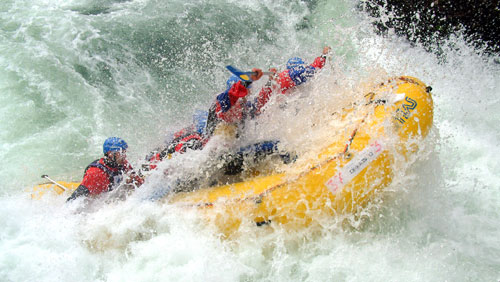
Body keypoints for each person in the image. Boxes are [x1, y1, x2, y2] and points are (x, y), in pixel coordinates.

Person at [67, 137, 144, 201]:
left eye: (124, 152)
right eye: (121, 153)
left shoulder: (122, 164)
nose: (124, 156)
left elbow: (139, 181)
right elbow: (74, 200)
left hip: (111, 197)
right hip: (96, 201)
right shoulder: (96, 173)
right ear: (110, 153)